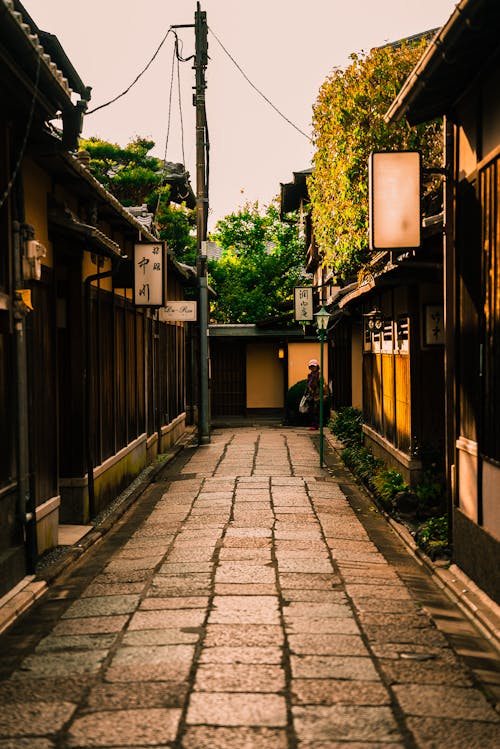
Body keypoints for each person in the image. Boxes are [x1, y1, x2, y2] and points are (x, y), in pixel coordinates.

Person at [305, 358, 320, 430]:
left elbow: (321, 386)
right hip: (310, 395)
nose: (312, 368)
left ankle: (315, 425)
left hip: (316, 396)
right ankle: (313, 424)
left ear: (317, 367)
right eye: (311, 366)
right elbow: (307, 384)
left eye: (314, 366)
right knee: (310, 410)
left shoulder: (318, 375)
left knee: (315, 411)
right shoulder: (310, 375)